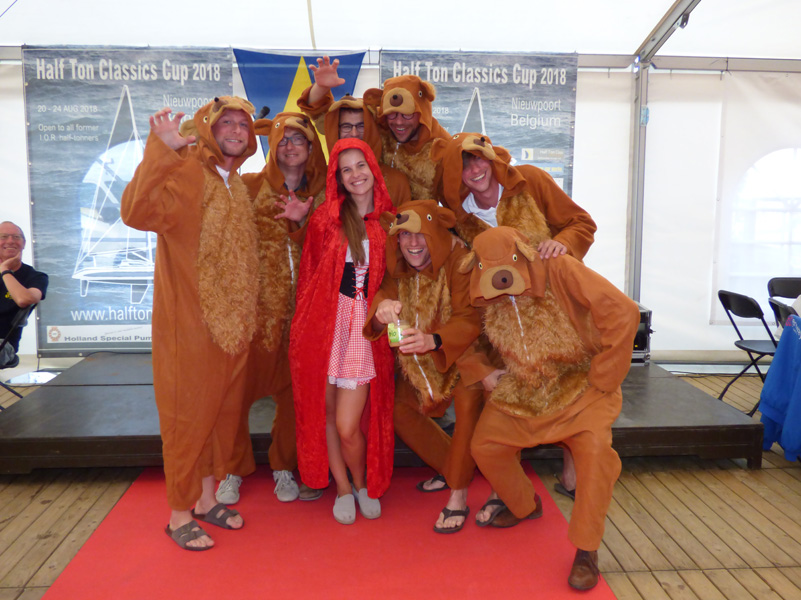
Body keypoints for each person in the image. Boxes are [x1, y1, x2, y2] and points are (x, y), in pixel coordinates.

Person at [461, 226, 639, 590]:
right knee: (485, 446)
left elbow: (623, 311)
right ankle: (526, 505)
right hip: (523, 387)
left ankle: (586, 550)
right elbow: (461, 330)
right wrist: (482, 370)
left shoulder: (559, 268)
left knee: (595, 455)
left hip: (580, 384)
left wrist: (604, 376)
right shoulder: (477, 286)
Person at [122, 97, 260, 550]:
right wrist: (161, 150)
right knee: (187, 421)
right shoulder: (186, 172)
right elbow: (136, 212)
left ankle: (205, 500)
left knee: (219, 420)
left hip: (231, 330)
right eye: (226, 123)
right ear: (207, 129)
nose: (236, 130)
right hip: (190, 328)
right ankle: (179, 513)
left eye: (243, 124)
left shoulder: (234, 185)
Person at [431, 131, 599, 501]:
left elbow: (581, 223)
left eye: (478, 159)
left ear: (491, 157)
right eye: (463, 165)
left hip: (556, 315)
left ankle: (572, 467)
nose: (474, 170)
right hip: (503, 325)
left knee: (570, 385)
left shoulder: (530, 181)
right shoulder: (461, 220)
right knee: (505, 398)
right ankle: (505, 491)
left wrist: (563, 243)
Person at [217, 112, 328, 506]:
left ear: (311, 147)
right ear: (272, 145)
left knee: (294, 397)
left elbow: (330, 251)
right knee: (236, 395)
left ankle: (283, 465)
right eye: (283, 139)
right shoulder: (248, 187)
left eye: (299, 140)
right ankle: (231, 468)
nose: (291, 147)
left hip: (302, 316)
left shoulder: (322, 197)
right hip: (254, 316)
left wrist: (303, 222)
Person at [289, 138, 395, 525]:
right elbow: (308, 279)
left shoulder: (390, 222)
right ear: (338, 177)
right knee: (328, 415)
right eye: (345, 169)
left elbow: (399, 279)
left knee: (349, 426)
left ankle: (362, 483)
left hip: (364, 331)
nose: (355, 175)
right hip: (324, 328)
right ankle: (344, 488)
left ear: (373, 168)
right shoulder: (325, 219)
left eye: (360, 165)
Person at [365, 200, 483, 533]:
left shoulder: (459, 260)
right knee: (399, 411)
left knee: (468, 405)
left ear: (436, 233)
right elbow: (382, 302)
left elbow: (470, 318)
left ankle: (458, 494)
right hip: (420, 363)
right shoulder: (396, 264)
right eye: (405, 235)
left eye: (421, 235)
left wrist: (434, 340)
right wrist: (382, 311)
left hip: (467, 355)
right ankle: (454, 468)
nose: (414, 243)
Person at [297, 56, 411, 207]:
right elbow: (316, 107)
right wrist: (321, 87)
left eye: (361, 126)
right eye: (346, 126)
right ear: (336, 130)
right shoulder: (323, 182)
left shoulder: (396, 181)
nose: (354, 133)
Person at [359, 74, 451, 200]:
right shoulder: (380, 129)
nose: (399, 122)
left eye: (407, 114)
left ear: (422, 112)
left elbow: (455, 200)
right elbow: (345, 114)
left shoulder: (442, 148)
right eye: (392, 114)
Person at [0, 222, 47, 367]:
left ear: (24, 243)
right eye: (4, 237)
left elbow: (24, 299)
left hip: (4, 345)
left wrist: (4, 271)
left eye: (16, 237)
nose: (10, 241)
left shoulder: (36, 277)